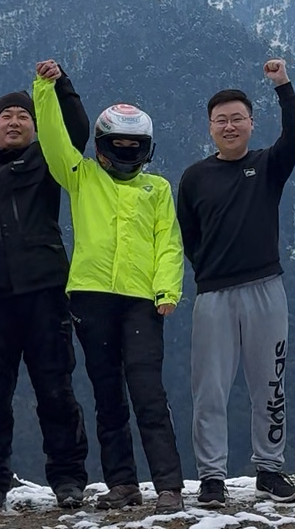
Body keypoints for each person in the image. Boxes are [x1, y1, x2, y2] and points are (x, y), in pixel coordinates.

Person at [33, 60, 185, 515]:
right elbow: (54, 139)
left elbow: (169, 243)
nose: (123, 151)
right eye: (117, 144)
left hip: (143, 302)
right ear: (100, 145)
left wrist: (167, 291)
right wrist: (44, 88)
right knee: (107, 395)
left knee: (148, 393)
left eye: (132, 145)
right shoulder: (81, 177)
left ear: (145, 148)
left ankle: (169, 486)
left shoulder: (157, 189)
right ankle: (122, 484)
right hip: (91, 297)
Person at [0, 71, 90, 516]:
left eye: (23, 115)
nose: (14, 121)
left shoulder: (48, 161)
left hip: (47, 292)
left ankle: (67, 478)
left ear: (35, 125)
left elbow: (77, 133)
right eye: (6, 115)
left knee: (56, 389)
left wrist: (62, 86)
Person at [175, 59, 295, 507]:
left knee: (269, 384)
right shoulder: (194, 177)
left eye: (237, 119)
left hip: (266, 287)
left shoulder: (268, 165)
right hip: (213, 294)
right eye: (221, 120)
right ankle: (212, 477)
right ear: (210, 127)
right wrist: (210, 269)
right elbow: (188, 235)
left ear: (251, 123)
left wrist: (283, 85)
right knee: (209, 389)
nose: (229, 126)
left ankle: (269, 469)